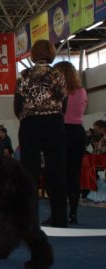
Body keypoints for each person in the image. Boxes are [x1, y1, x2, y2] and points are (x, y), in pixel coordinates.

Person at [14, 39, 67, 228]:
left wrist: (27, 116)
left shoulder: (24, 75)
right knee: (57, 172)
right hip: (54, 124)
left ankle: (30, 222)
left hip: (30, 125)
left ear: (33, 55)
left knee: (29, 174)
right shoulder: (57, 74)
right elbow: (64, 102)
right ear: (51, 53)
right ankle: (60, 220)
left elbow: (17, 105)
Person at [54, 61, 87, 225]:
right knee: (74, 175)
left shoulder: (60, 92)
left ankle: (59, 214)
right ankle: (73, 213)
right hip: (78, 133)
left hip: (63, 133)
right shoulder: (82, 91)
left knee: (59, 175)